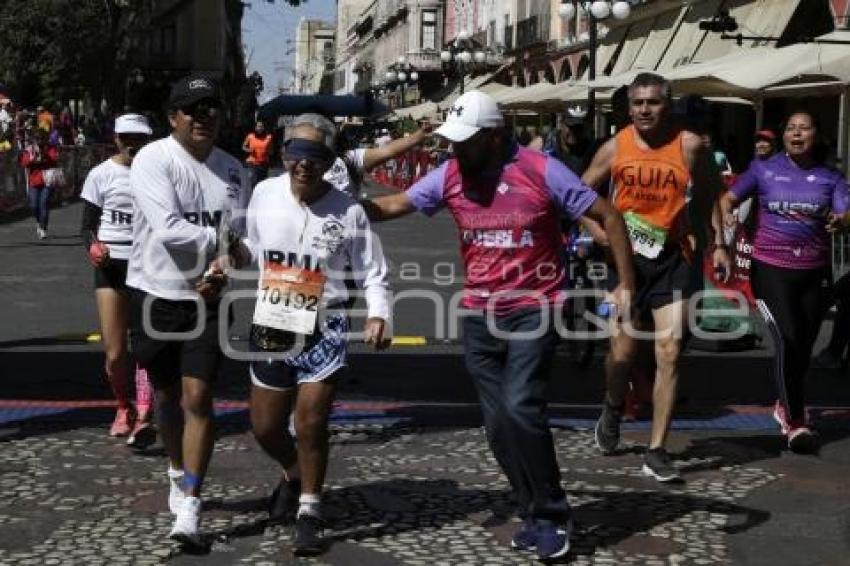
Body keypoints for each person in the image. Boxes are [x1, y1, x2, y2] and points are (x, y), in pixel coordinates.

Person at [361, 90, 635, 560]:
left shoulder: (540, 169)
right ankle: (531, 510)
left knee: (522, 406)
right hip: (479, 313)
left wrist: (625, 284)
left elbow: (607, 216)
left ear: (494, 137)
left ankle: (551, 514)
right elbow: (391, 207)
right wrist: (334, 203)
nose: (456, 150)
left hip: (536, 305)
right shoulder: (450, 173)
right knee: (497, 425)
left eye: (465, 142)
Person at [239, 113, 390, 557]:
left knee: (310, 422)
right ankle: (293, 473)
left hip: (326, 323)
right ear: (285, 154)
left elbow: (373, 271)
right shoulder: (264, 193)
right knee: (265, 426)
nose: (305, 164)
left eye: (317, 155)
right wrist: (227, 257)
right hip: (273, 320)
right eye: (297, 153)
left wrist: (378, 314)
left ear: (329, 161)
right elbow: (249, 246)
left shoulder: (349, 211)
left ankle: (310, 509)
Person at [582, 72, 731, 482]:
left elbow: (707, 195)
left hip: (675, 256)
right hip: (627, 261)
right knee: (623, 356)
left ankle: (657, 449)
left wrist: (717, 243)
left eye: (653, 102)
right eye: (638, 103)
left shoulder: (689, 145)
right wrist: (597, 231)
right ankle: (613, 407)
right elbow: (576, 192)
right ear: (629, 108)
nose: (645, 110)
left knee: (670, 349)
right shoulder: (616, 146)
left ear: (669, 105)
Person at [126, 74, 250, 546]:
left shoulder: (235, 171)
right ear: (172, 118)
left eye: (211, 109)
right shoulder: (152, 160)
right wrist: (223, 247)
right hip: (156, 292)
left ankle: (191, 507)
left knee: (198, 399)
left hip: (209, 298)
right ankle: (176, 468)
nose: (203, 118)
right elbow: (170, 228)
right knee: (165, 397)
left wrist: (224, 265)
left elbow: (242, 237)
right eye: (192, 110)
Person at [720, 110, 850, 453]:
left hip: (815, 273)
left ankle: (785, 402)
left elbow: (845, 211)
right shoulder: (764, 170)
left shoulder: (830, 177)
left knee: (803, 350)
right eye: (791, 127)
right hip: (770, 270)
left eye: (804, 128)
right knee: (787, 339)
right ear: (784, 136)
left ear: (817, 135)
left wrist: (842, 220)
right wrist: (724, 235)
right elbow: (727, 198)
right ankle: (795, 423)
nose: (796, 133)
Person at [81, 114, 156, 447]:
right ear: (116, 138)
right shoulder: (101, 175)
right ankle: (123, 407)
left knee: (145, 348)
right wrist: (93, 247)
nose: (132, 144)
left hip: (147, 266)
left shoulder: (157, 174)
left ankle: (144, 417)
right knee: (115, 353)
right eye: (127, 137)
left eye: (139, 138)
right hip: (111, 267)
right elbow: (86, 225)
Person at [18, 128, 59, 239]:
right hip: (34, 181)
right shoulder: (29, 149)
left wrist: (45, 156)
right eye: (37, 139)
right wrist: (33, 159)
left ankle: (43, 227)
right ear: (34, 140)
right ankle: (38, 222)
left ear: (46, 139)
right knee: (34, 205)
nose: (40, 141)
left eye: (42, 139)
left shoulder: (50, 148)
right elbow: (24, 162)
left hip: (47, 180)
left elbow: (55, 158)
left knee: (44, 203)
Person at [242, 120, 273, 185]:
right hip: (252, 163)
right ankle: (253, 193)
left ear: (264, 128)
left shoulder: (269, 137)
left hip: (263, 164)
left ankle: (260, 194)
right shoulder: (250, 136)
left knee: (262, 183)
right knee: (253, 180)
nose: (260, 128)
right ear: (255, 127)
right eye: (258, 126)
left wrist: (268, 152)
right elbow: (243, 147)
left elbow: (271, 150)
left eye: (261, 126)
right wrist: (248, 150)